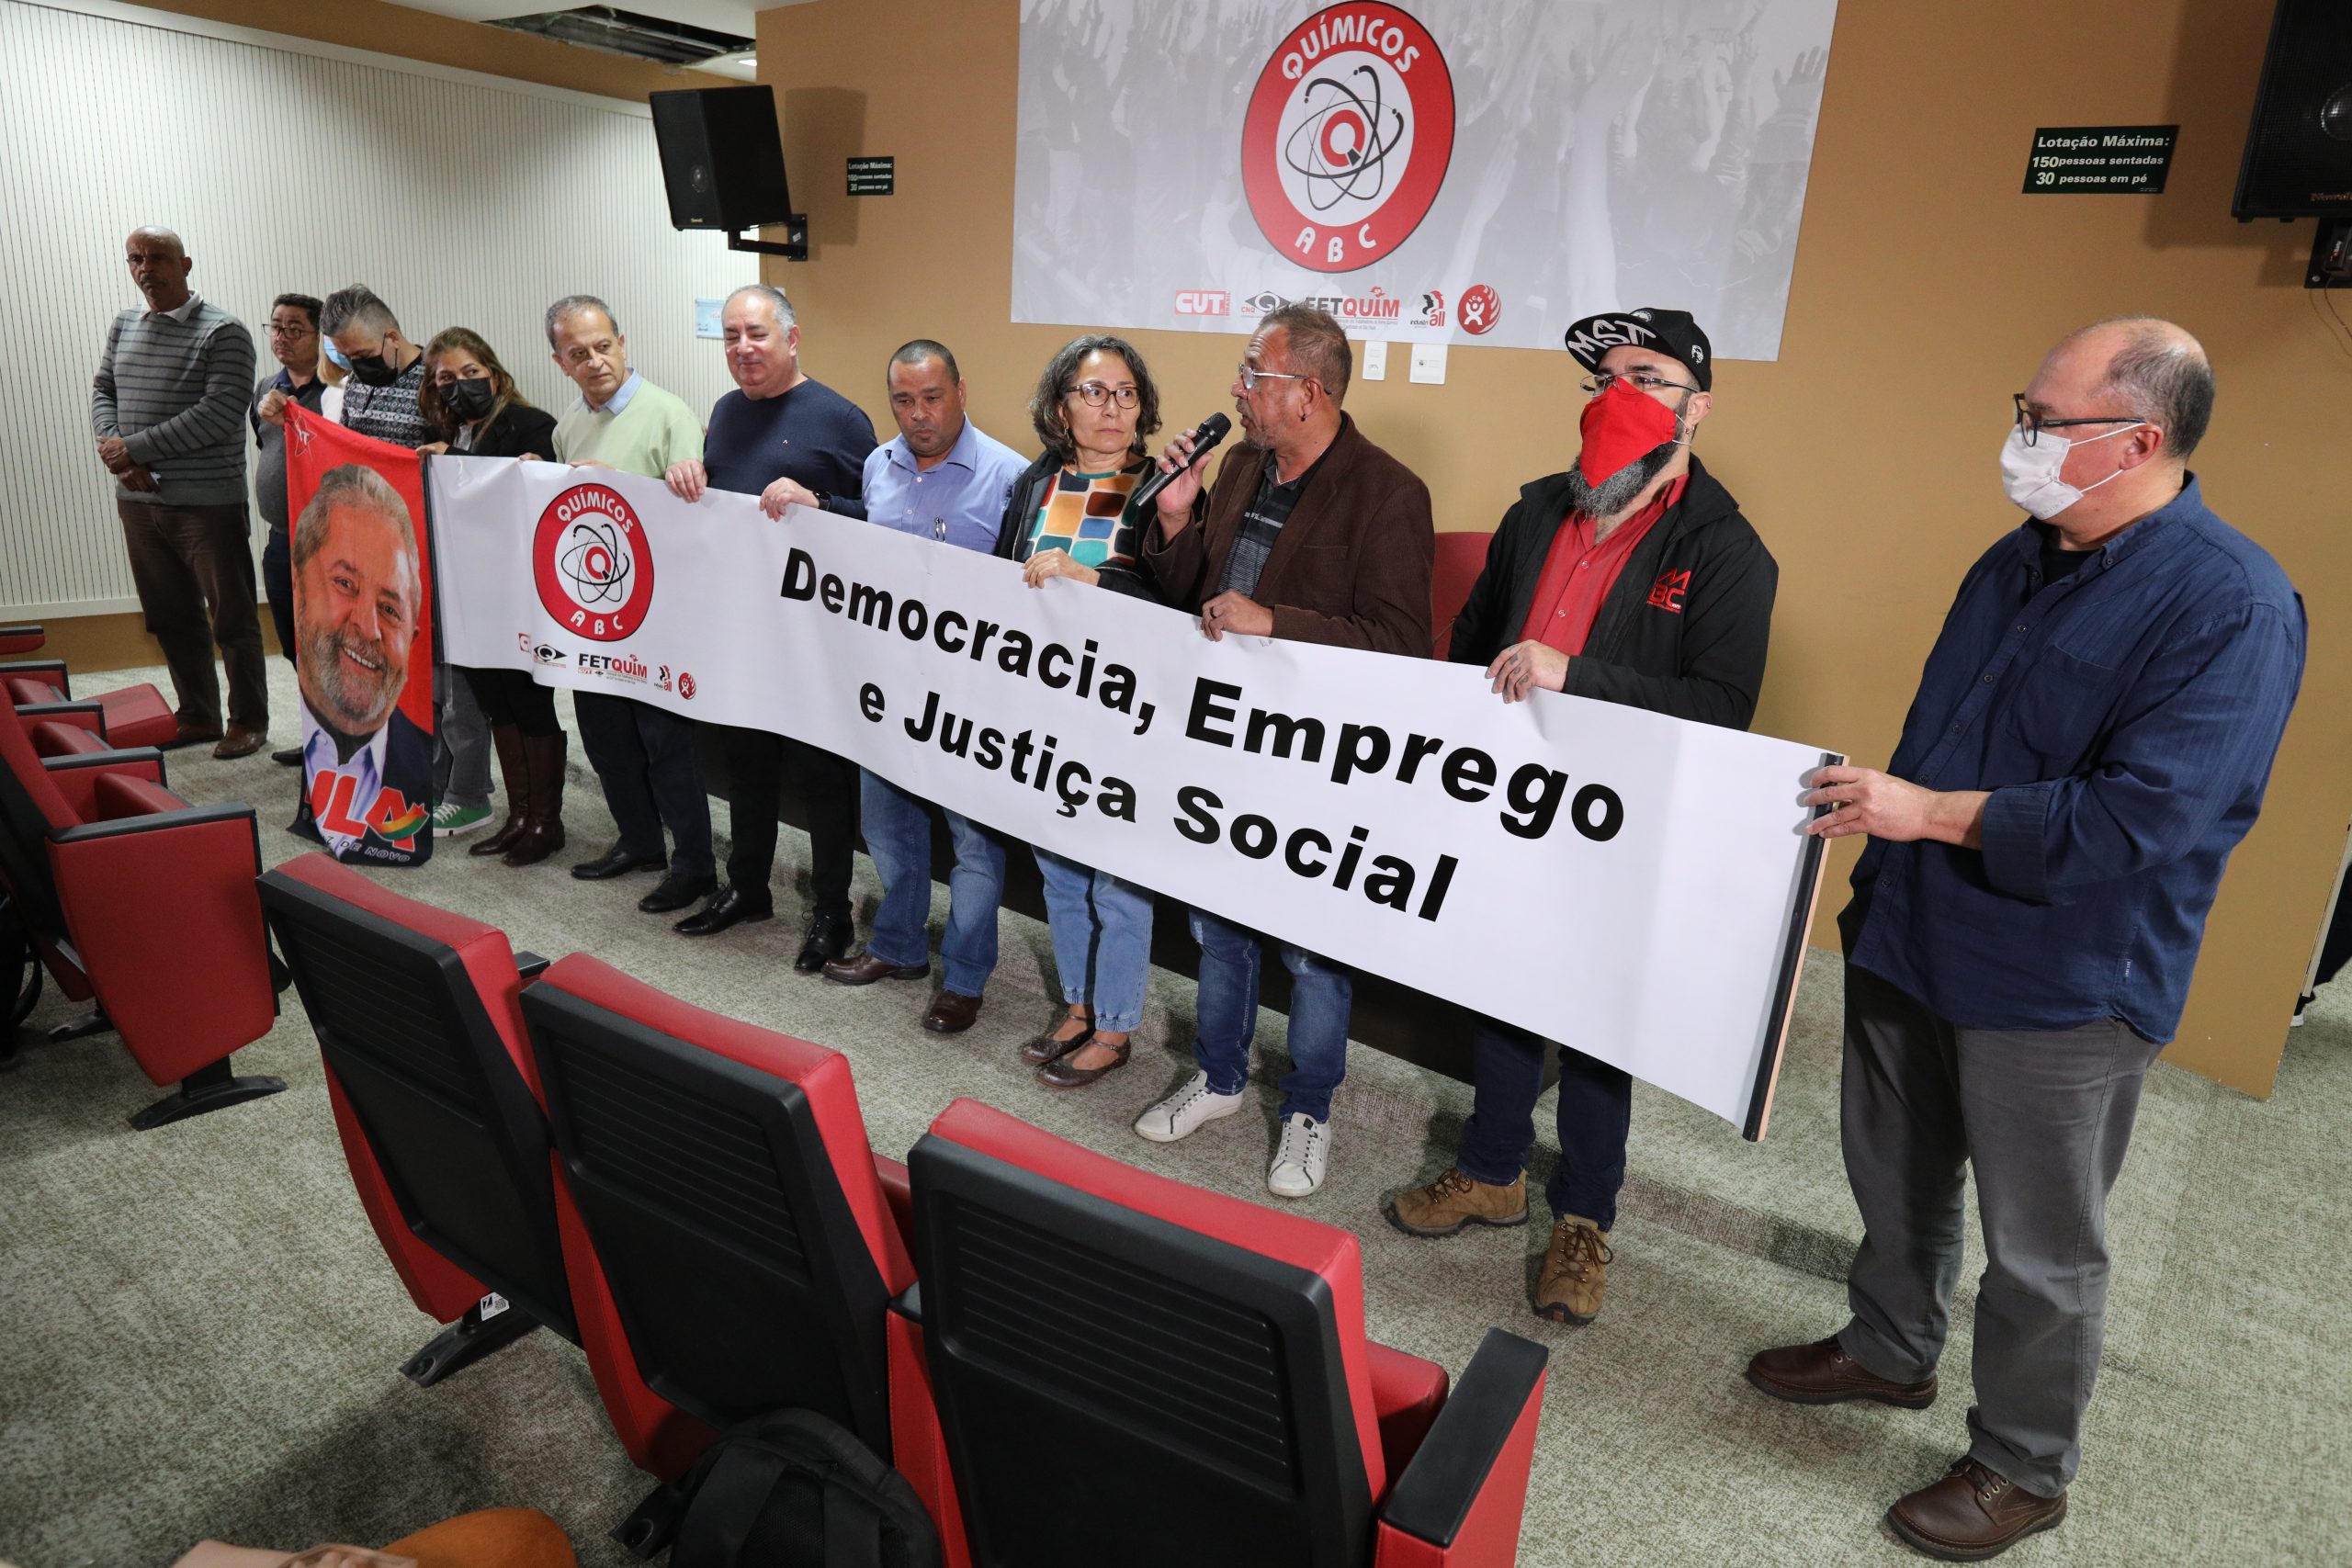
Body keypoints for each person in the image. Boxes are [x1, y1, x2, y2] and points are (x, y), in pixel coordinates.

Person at [1746, 319, 2304, 1562]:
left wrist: (1924, 811)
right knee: (1893, 1173)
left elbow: (2148, 812)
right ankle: (1890, 1348)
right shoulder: (2023, 554)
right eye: (2028, 408)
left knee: (2042, 1245)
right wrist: (1894, 830)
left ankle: (2024, 1463)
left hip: (2061, 974)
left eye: (2048, 418)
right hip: (1917, 928)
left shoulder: (2234, 603)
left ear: (2141, 441)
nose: (2023, 437)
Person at [1379, 307, 1778, 1325]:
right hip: (1508, 804)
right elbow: (1472, 642)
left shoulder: (1727, 551)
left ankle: (1585, 1218)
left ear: (1697, 409)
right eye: (1604, 379)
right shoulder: (1534, 514)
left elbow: (1723, 709)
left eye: (1646, 378)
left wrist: (1578, 676)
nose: (1618, 397)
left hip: (1621, 821)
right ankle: (1490, 1169)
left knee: (1599, 1022)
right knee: (1503, 984)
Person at [1130, 303, 1434, 1199]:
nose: (1237, 390)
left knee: (1310, 950)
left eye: (1251, 376)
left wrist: (1277, 625)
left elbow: (1400, 643)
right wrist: (1179, 521)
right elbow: (1195, 596)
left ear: (1306, 391)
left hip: (1319, 760)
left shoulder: (1387, 492)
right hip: (1224, 739)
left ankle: (1308, 1111)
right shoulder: (1238, 464)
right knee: (1217, 927)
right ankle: (1221, 1078)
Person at [662, 285, 875, 964]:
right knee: (746, 766)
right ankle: (747, 885)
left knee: (821, 779)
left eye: (756, 334)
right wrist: (688, 471)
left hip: (815, 637)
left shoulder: (841, 419)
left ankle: (833, 912)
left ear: (792, 336)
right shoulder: (724, 412)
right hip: (739, 628)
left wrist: (821, 502)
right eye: (730, 337)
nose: (743, 349)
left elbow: (879, 528)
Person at [822, 341, 1027, 1033]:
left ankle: (965, 979)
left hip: (973, 696)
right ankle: (900, 946)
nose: (918, 414)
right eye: (903, 400)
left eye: (932, 397)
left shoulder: (1009, 476)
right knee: (888, 823)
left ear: (961, 390)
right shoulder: (880, 465)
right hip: (889, 686)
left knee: (973, 843)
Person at [994, 333, 1167, 1088]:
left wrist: (1084, 577)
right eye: (1094, 392)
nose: (1113, 407)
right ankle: (1079, 1002)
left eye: (1126, 393)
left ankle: (1119, 1024)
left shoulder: (1165, 488)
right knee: (1060, 871)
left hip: (1125, 710)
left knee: (1116, 879)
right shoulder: (1038, 480)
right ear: (1061, 407)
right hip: (1044, 700)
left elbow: (1175, 603)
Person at [543, 294, 716, 916]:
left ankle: (694, 865)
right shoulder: (568, 425)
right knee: (604, 736)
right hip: (594, 610)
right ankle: (640, 841)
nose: (594, 362)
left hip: (658, 611)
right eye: (578, 353)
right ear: (560, 361)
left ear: (623, 341)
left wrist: (614, 484)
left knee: (666, 744)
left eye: (603, 346)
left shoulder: (670, 414)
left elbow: (691, 517)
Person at [91, 226, 267, 759]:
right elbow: (105, 389)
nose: (147, 268)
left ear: (186, 264)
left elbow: (217, 414)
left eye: (159, 258)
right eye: (136, 259)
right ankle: (198, 715)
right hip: (139, 502)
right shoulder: (124, 324)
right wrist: (117, 456)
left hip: (206, 503)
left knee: (231, 618)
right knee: (169, 615)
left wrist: (137, 449)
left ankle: (250, 720)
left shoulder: (224, 332)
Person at [417, 327, 567, 866]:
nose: (460, 386)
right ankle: (519, 814)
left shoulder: (532, 425)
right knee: (494, 702)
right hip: (468, 597)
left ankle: (547, 822)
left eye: (470, 373)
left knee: (529, 703)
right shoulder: (448, 437)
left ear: (495, 374)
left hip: (519, 593)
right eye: (446, 379)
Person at [290, 464, 430, 857]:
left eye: (390, 609)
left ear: (412, 639)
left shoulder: (429, 766)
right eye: (345, 584)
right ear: (299, 585)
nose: (368, 628)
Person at [253, 291, 327, 766]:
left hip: (326, 539)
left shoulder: (339, 391)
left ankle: (340, 736)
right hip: (281, 537)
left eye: (295, 328)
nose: (282, 337)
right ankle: (315, 734)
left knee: (329, 645)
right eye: (276, 327)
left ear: (321, 337)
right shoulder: (266, 387)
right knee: (295, 645)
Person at [319, 285, 433, 450]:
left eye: (364, 355)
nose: (356, 365)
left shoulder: (434, 379)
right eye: (347, 356)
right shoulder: (355, 380)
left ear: (393, 338)